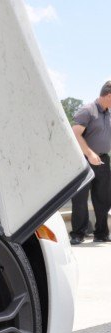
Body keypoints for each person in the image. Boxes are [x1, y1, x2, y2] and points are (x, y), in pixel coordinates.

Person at [70, 82, 111, 244]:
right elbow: (75, 134)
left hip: (103, 160)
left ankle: (101, 233)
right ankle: (78, 233)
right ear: (108, 95)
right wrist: (89, 153)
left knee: (104, 198)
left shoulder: (108, 113)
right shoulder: (88, 110)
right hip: (83, 160)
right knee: (80, 198)